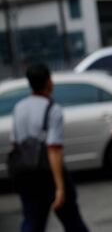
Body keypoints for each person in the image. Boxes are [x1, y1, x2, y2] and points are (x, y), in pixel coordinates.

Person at [11, 64, 88, 232]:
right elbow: (54, 150)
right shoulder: (52, 109)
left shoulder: (19, 107)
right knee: (72, 221)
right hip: (48, 175)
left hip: (25, 176)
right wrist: (59, 187)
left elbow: (15, 144)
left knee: (32, 222)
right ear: (48, 82)